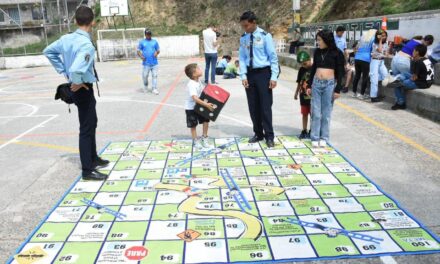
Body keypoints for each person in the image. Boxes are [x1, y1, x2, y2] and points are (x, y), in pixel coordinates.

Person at [43, 5, 108, 181]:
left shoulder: (66, 38)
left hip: (82, 86)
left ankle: (93, 158)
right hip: (83, 88)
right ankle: (88, 170)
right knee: (86, 128)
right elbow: (77, 69)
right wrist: (76, 82)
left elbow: (47, 51)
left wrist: (63, 70)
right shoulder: (86, 45)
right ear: (93, 22)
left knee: (92, 122)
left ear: (75, 21)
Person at [239, 10, 279, 148]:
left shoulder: (265, 36)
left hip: (263, 74)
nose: (245, 28)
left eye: (246, 25)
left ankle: (269, 135)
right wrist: (243, 75)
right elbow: (242, 58)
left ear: (254, 22)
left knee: (265, 107)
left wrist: (274, 76)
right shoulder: (243, 38)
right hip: (250, 74)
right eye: (243, 26)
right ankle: (258, 133)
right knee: (253, 106)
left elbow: (273, 57)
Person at [306, 29, 345, 148]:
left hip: (329, 85)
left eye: (319, 40)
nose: (317, 42)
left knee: (326, 113)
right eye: (317, 40)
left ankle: (324, 137)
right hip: (316, 84)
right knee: (316, 112)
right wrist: (309, 84)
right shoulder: (317, 52)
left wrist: (338, 89)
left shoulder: (337, 53)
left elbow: (341, 72)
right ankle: (315, 137)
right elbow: (313, 69)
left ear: (326, 40)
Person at [390, 44, 434, 110]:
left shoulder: (418, 62)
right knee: (404, 74)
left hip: (422, 83)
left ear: (417, 52)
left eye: (414, 51)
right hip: (428, 81)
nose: (412, 52)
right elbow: (414, 73)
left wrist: (404, 81)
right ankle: (398, 78)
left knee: (397, 84)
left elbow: (414, 78)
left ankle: (400, 103)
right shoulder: (426, 60)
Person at [184, 63, 215, 149]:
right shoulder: (191, 84)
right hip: (191, 108)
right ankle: (195, 140)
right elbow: (195, 98)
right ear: (194, 74)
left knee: (206, 120)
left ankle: (204, 137)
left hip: (200, 105)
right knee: (193, 124)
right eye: (198, 68)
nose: (201, 69)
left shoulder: (198, 81)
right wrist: (206, 105)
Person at [352, 29, 376, 100]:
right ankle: (362, 94)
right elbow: (373, 49)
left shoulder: (362, 37)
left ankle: (354, 92)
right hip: (365, 59)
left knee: (357, 75)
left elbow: (356, 47)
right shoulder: (373, 38)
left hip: (357, 58)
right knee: (365, 77)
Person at [294, 51, 312, 139]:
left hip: (312, 96)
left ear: (309, 59)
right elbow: (299, 82)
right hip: (303, 95)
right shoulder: (301, 70)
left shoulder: (314, 69)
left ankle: (312, 130)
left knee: (313, 114)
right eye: (302, 64)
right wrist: (296, 92)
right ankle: (304, 130)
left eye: (305, 64)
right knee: (304, 113)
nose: (303, 66)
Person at [137, 29, 160, 94]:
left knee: (154, 76)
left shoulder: (155, 42)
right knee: (145, 76)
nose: (149, 36)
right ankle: (145, 86)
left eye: (149, 34)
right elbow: (138, 51)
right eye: (147, 34)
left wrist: (157, 53)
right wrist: (141, 56)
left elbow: (158, 50)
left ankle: (154, 89)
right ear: (145, 35)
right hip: (146, 63)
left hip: (154, 63)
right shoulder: (142, 42)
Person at [369, 30, 389, 103]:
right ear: (378, 36)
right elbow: (380, 50)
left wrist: (386, 52)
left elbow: (386, 53)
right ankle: (373, 97)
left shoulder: (386, 43)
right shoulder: (374, 43)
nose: (383, 37)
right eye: (382, 36)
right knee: (374, 79)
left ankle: (377, 92)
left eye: (384, 36)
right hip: (375, 61)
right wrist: (380, 40)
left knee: (385, 75)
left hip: (381, 61)